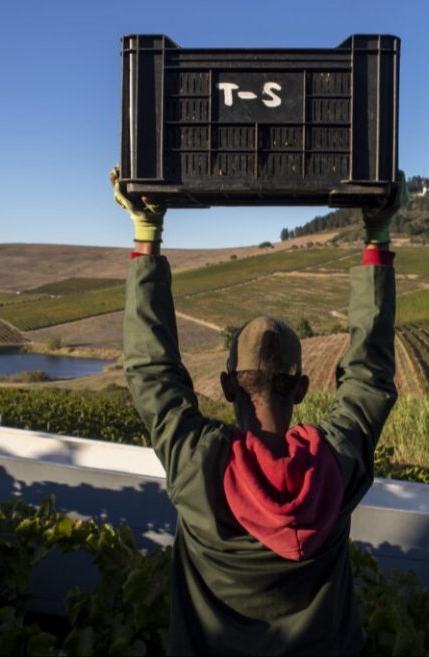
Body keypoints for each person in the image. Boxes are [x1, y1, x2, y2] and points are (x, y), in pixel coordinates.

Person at [112, 167, 407, 656]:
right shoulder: (334, 466)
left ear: (228, 387)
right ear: (302, 388)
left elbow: (150, 371)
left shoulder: (197, 466)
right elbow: (370, 379)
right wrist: (376, 236)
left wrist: (147, 232)